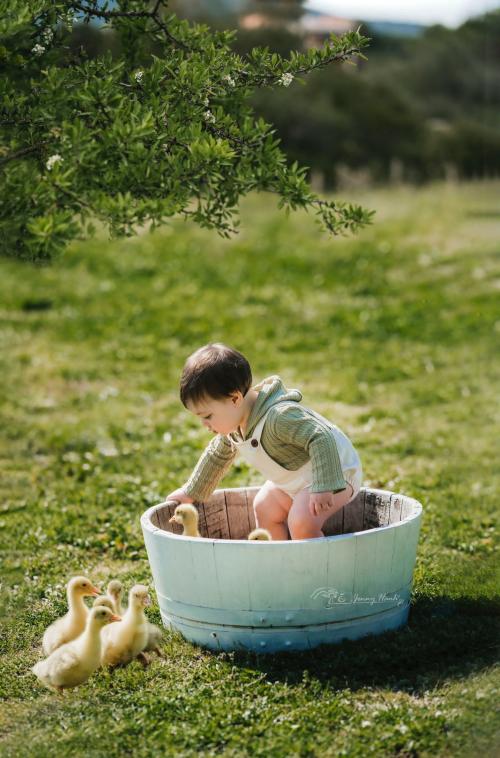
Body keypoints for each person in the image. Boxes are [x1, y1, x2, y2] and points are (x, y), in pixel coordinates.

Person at [166, 343, 363, 540]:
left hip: (336, 472)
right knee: (264, 507)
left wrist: (324, 485)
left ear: (235, 399)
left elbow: (321, 437)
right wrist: (190, 492)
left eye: (208, 416)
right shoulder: (235, 426)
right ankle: (278, 561)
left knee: (301, 521)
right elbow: (216, 457)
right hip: (296, 480)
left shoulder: (278, 417)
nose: (204, 424)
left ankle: (317, 567)